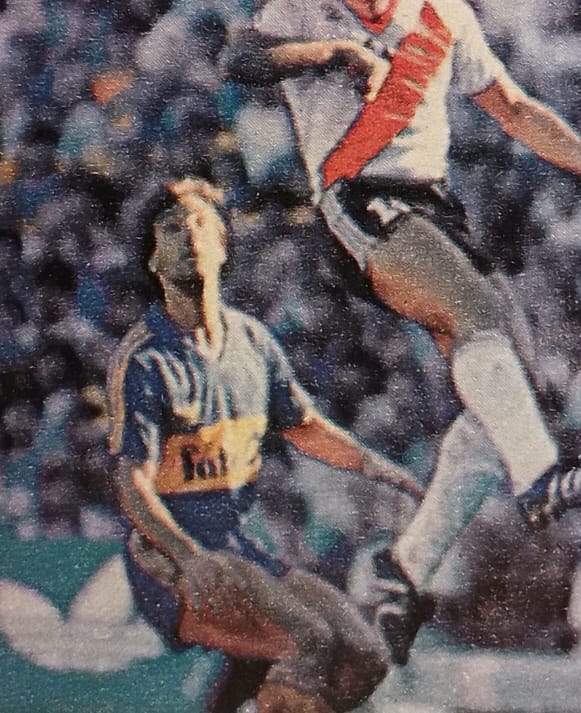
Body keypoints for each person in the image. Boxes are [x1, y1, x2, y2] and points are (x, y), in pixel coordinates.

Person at [224, 0, 581, 662]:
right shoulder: (304, 12)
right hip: (358, 199)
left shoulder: (441, 10)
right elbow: (238, 61)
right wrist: (333, 54)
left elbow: (514, 109)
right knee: (483, 319)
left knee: (504, 385)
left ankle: (406, 567)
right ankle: (541, 476)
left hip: (434, 207)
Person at [108, 178, 425, 713]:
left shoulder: (253, 341)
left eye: (200, 223)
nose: (188, 235)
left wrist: (379, 468)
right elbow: (131, 482)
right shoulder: (145, 360)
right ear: (154, 260)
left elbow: (305, 427)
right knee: (309, 640)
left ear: (223, 244)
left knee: (365, 658)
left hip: (241, 549)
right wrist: (187, 557)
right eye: (171, 228)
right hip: (173, 557)